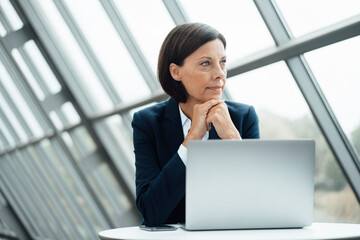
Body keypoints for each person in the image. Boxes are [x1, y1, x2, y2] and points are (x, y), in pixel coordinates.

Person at [132, 23, 259, 227]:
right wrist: (191, 142)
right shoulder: (147, 123)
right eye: (206, 64)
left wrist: (233, 139)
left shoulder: (243, 117)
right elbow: (152, 211)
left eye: (223, 62)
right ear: (175, 72)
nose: (220, 74)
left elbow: (259, 201)